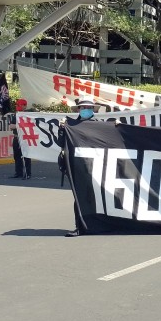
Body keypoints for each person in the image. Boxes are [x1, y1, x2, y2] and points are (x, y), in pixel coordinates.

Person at [61, 97, 97, 237]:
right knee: (79, 197)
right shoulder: (71, 125)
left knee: (95, 197)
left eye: (88, 107)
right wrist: (62, 130)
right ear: (78, 109)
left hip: (95, 166)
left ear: (93, 109)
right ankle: (79, 226)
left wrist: (118, 128)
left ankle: (94, 225)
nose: (85, 110)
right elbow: (61, 143)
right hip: (77, 166)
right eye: (83, 107)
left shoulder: (99, 125)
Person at [10, 99, 30, 180]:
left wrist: (18, 125)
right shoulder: (15, 115)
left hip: (25, 138)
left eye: (21, 105)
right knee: (17, 156)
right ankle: (18, 172)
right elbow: (11, 126)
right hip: (16, 137)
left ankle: (28, 173)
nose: (19, 106)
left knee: (26, 156)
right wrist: (20, 125)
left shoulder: (28, 115)